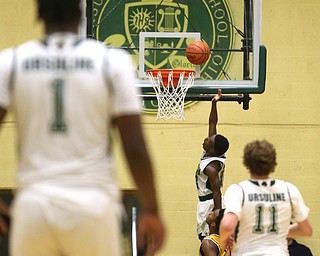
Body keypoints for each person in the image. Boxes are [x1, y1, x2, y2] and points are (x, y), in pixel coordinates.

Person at [0, 0, 166, 255]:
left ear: (38, 12)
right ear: (81, 13)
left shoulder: (10, 62)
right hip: (93, 206)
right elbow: (135, 148)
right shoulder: (112, 61)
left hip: (34, 206)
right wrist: (152, 209)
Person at [219, 139, 313, 255]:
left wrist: (223, 240)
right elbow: (307, 230)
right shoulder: (289, 189)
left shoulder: (238, 190)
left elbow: (228, 225)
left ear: (246, 164)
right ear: (273, 163)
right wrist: (277, 232)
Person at [195, 89, 229, 241]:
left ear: (212, 148)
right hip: (207, 202)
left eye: (209, 140)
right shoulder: (212, 152)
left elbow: (216, 192)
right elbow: (212, 122)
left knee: (209, 240)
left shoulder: (211, 167)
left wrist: (218, 215)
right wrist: (214, 103)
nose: (207, 138)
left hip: (210, 204)